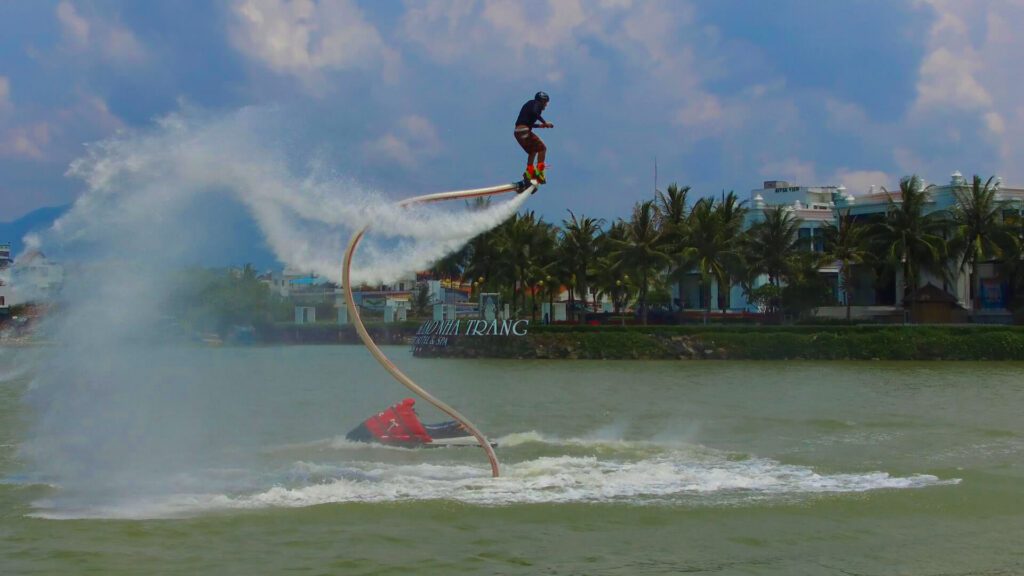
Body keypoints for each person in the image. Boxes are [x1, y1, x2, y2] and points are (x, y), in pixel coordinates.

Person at [514, 91, 553, 188]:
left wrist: (540, 126)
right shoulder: (537, 104)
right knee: (542, 148)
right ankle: (539, 172)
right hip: (524, 131)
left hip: (518, 132)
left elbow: (528, 122)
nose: (545, 105)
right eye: (546, 102)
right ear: (542, 100)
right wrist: (544, 123)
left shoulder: (529, 104)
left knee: (533, 151)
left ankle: (529, 173)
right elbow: (534, 113)